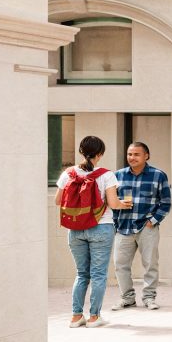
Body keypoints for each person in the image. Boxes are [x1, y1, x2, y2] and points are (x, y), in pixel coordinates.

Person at [57, 136, 129, 328]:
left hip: (75, 229)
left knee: (81, 274)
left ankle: (75, 316)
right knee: (98, 274)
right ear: (100, 154)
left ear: (81, 151)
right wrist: (124, 204)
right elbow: (113, 204)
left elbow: (58, 201)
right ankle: (94, 317)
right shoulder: (106, 175)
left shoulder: (68, 173)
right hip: (101, 227)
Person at [112, 141, 172, 311]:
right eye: (130, 154)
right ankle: (127, 298)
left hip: (147, 227)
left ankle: (149, 298)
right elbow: (111, 202)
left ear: (146, 156)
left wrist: (152, 221)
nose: (132, 157)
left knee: (150, 264)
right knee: (120, 264)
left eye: (136, 154)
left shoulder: (158, 175)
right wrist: (116, 220)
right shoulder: (118, 176)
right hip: (123, 227)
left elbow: (166, 203)